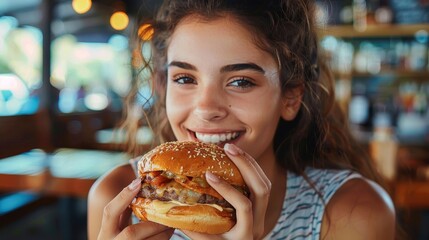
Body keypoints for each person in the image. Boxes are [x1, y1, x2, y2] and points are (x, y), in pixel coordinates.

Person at [88, 0, 398, 239]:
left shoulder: (354, 212)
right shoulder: (115, 200)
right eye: (184, 78)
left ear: (290, 98)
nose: (207, 108)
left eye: (240, 82)